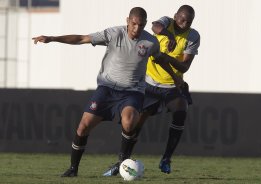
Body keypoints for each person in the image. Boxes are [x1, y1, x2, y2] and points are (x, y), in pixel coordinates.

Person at [32, 7, 182, 177]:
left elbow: (160, 59)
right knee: (83, 127)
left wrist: (175, 78)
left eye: (141, 25)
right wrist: (52, 38)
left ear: (145, 24)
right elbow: (82, 38)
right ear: (128, 20)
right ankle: (73, 168)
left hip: (132, 92)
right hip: (107, 89)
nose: (136, 28)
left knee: (129, 121)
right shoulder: (113, 34)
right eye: (134, 24)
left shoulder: (150, 42)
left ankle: (122, 162)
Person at [103, 5, 200, 176]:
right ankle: (121, 161)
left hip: (172, 85)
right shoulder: (166, 23)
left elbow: (184, 67)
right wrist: (168, 35)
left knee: (181, 110)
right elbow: (155, 26)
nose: (184, 24)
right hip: (148, 83)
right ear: (175, 16)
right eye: (182, 19)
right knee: (135, 124)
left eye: (189, 21)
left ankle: (166, 158)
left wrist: (166, 58)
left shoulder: (193, 36)